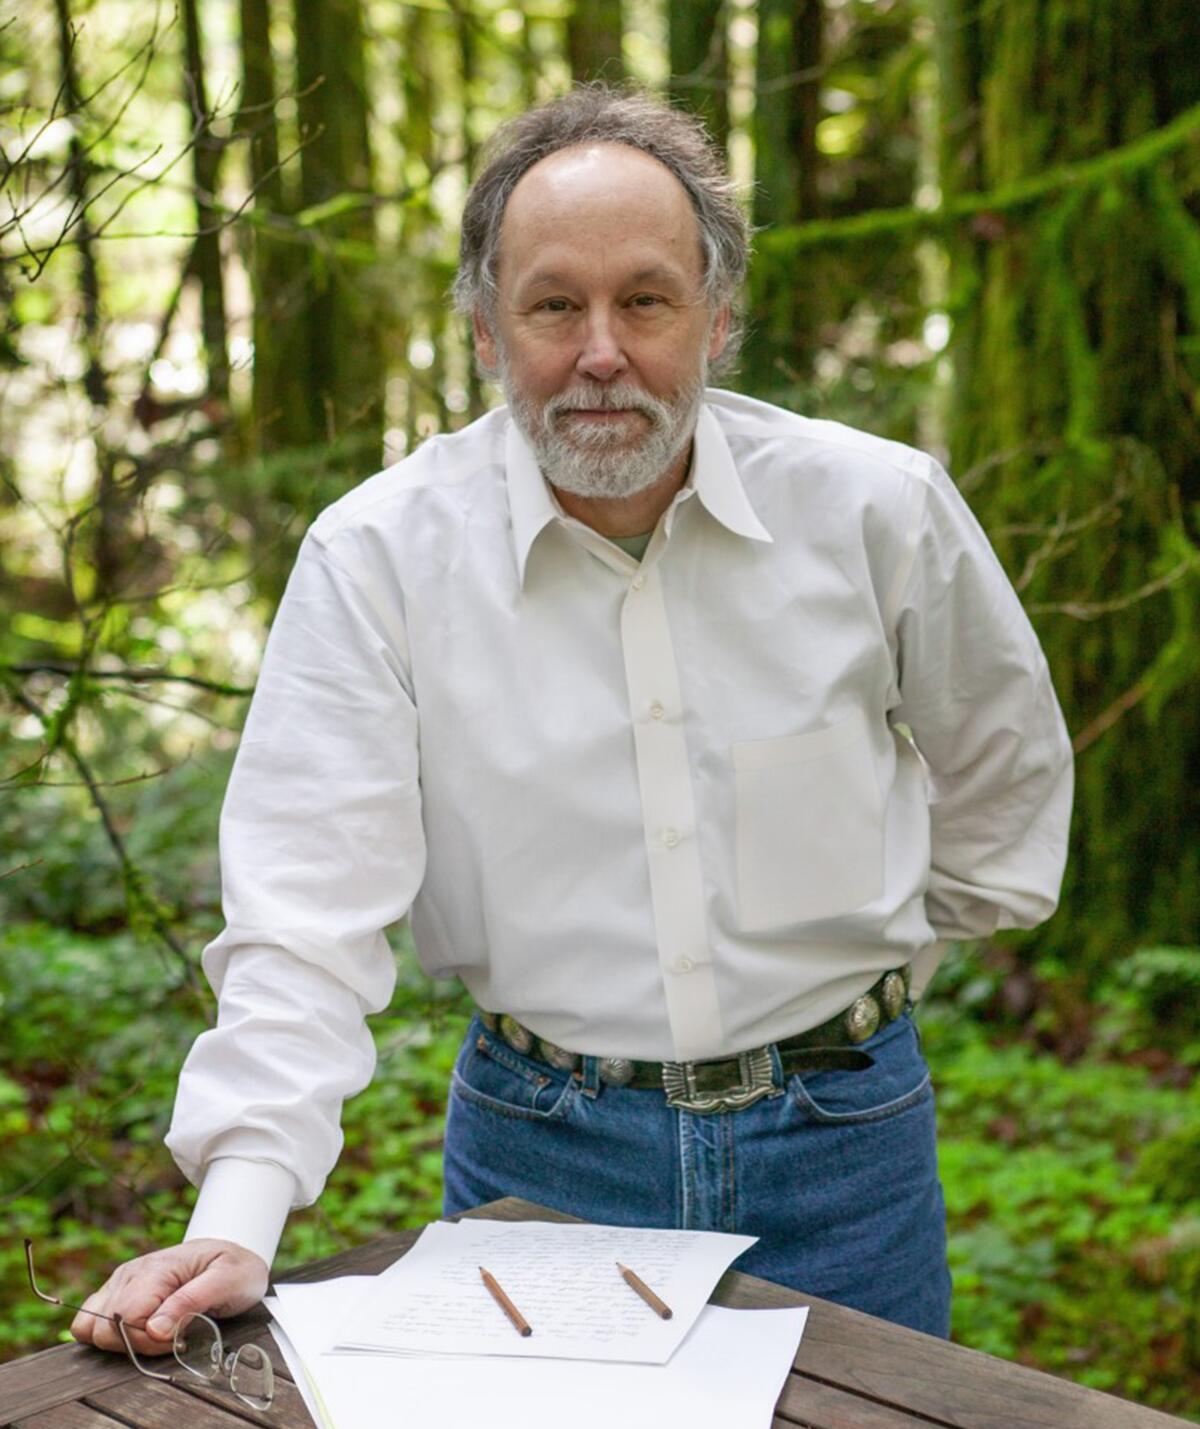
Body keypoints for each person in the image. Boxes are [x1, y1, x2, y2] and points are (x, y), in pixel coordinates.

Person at [70, 86, 1072, 1357]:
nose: (602, 351)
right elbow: (304, 912)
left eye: (645, 301)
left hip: (848, 1157)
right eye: (554, 305)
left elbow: (1006, 774)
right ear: (489, 331)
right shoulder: (379, 558)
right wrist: (241, 1212)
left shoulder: (876, 513)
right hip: (542, 1157)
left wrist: (877, 983)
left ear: (719, 318)